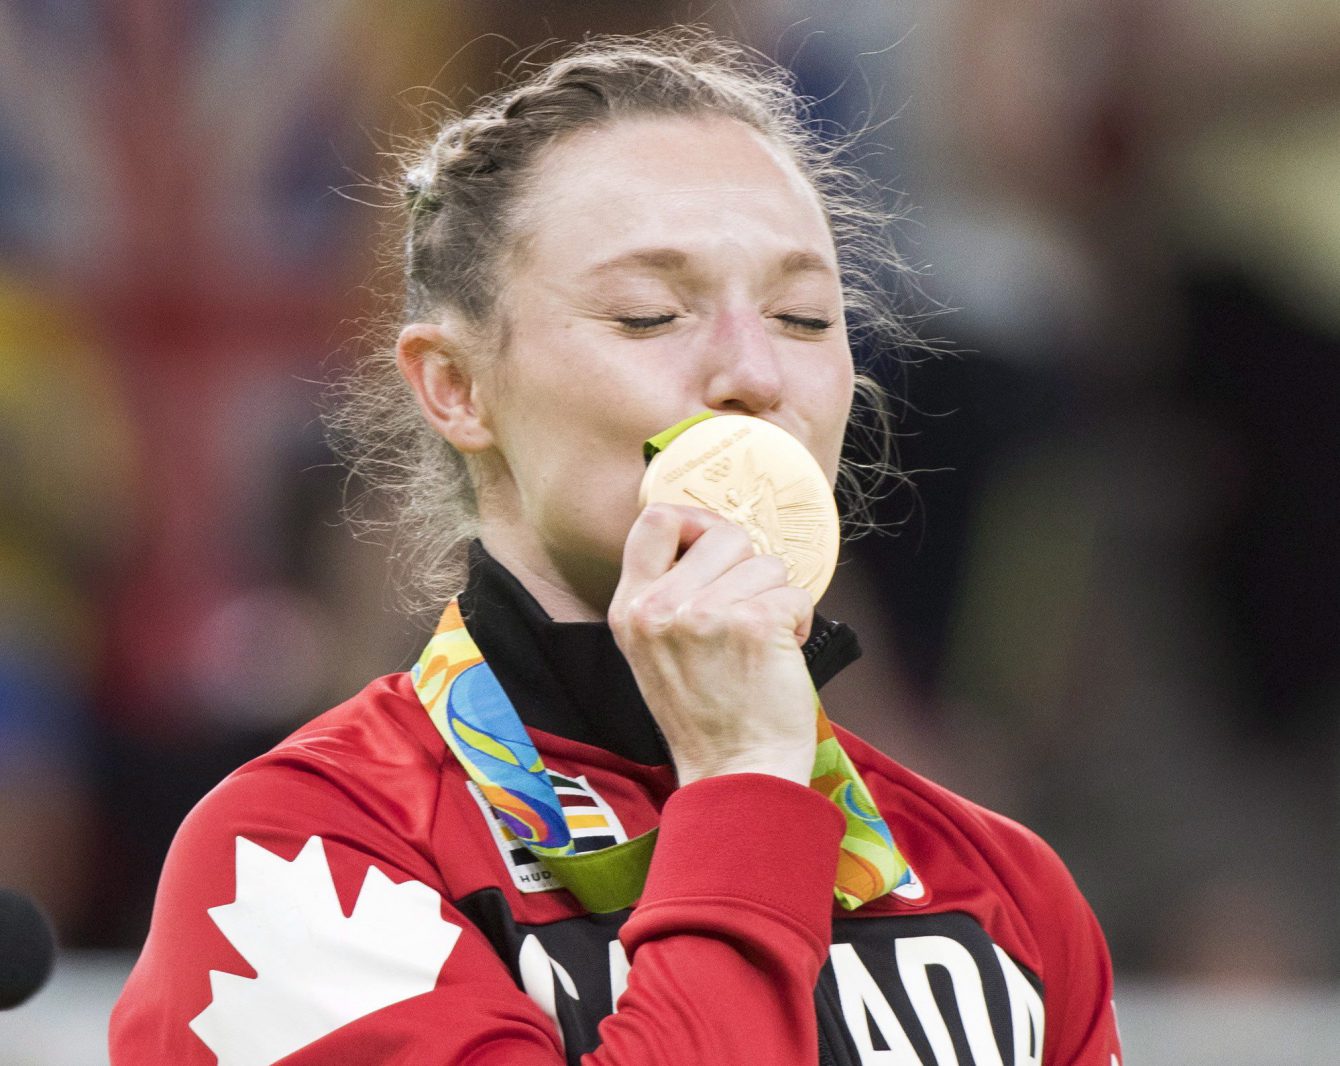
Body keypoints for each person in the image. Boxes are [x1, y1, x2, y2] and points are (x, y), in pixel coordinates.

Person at [110, 30, 1122, 1065]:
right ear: (456, 388)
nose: (753, 373)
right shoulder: (304, 858)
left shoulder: (1001, 888)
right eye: (648, 315)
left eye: (804, 317)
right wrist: (744, 788)